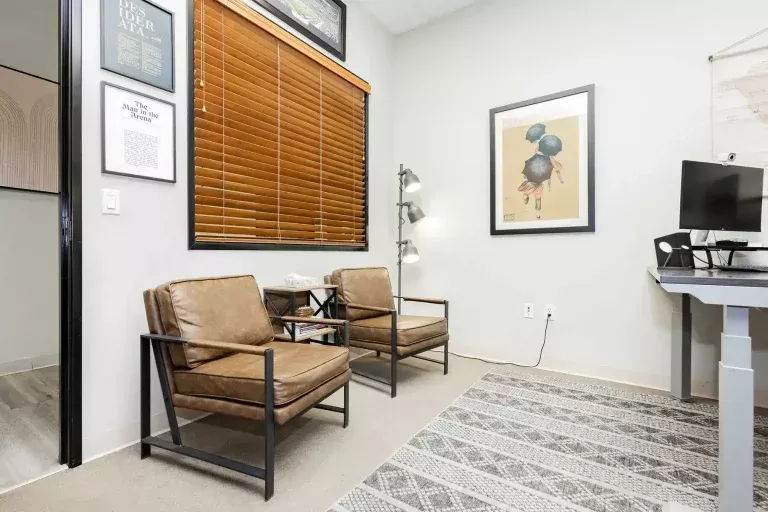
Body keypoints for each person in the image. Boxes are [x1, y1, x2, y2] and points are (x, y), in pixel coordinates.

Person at [518, 130, 564, 219]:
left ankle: (526, 198)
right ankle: (538, 214)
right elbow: (558, 167)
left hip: (530, 182)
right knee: (538, 198)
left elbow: (528, 167)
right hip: (539, 184)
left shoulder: (537, 154)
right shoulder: (549, 158)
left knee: (526, 192)